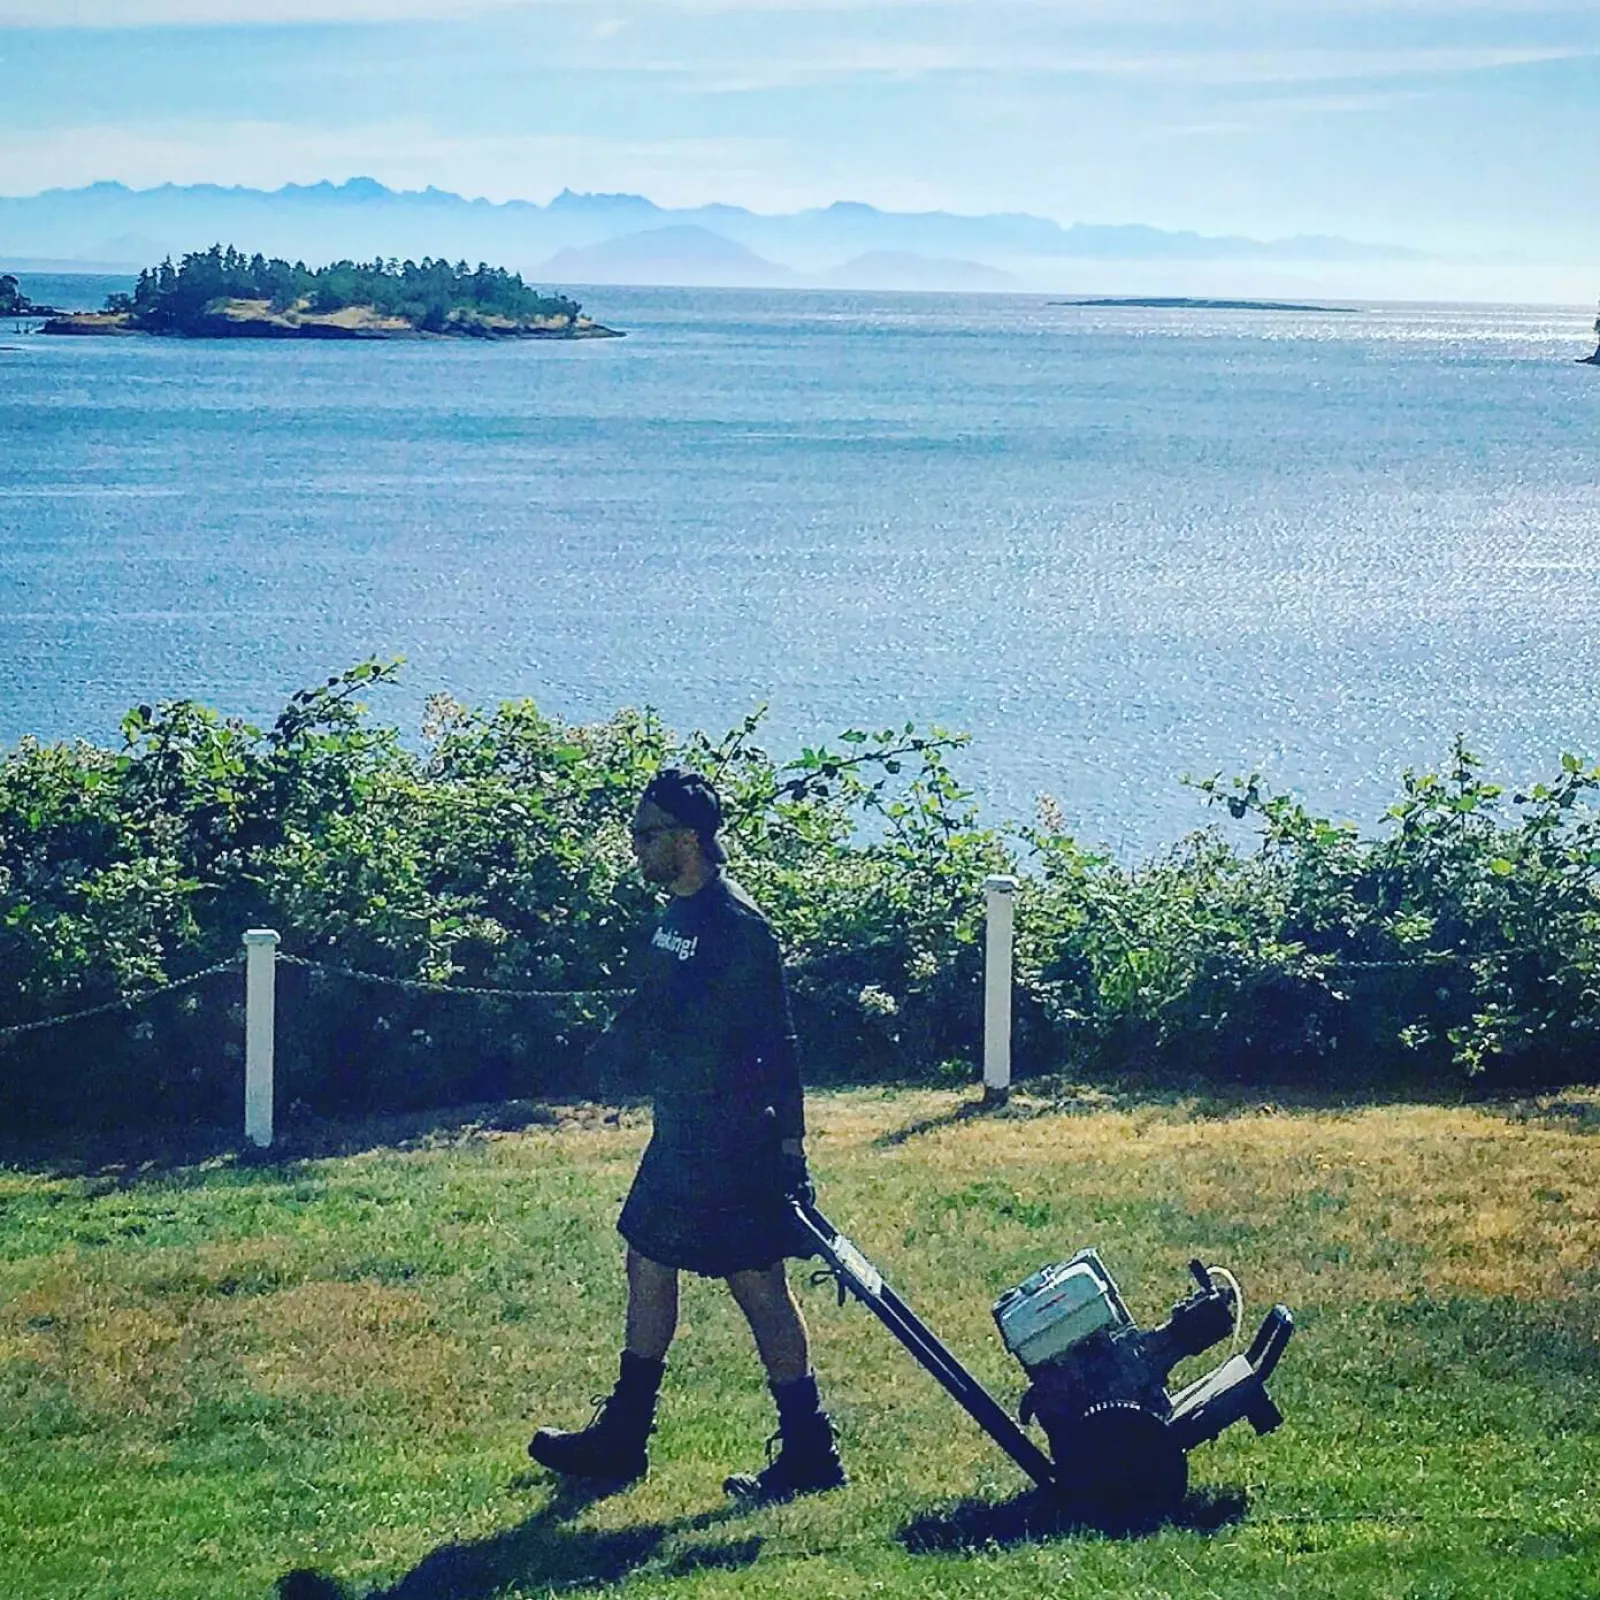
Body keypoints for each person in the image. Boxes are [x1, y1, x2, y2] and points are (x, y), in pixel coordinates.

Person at [528, 767, 846, 1503]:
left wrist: (790, 1152)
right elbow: (658, 1003)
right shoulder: (676, 916)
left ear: (689, 840)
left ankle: (810, 1452)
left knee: (758, 1285)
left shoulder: (737, 928)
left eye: (647, 835)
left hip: (732, 1140)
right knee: (646, 1260)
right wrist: (610, 1048)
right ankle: (623, 1441)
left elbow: (777, 1044)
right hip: (683, 1131)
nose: (636, 847)